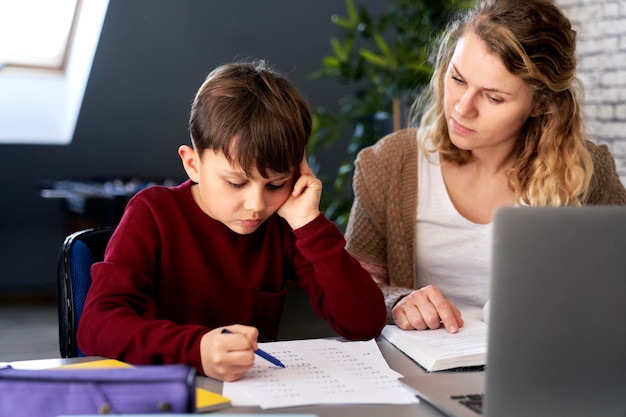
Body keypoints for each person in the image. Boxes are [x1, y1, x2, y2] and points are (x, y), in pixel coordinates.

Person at [77, 60, 387, 382]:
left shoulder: (284, 224)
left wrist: (308, 222)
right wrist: (196, 349)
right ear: (193, 164)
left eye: (276, 184)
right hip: (165, 391)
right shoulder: (152, 213)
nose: (256, 205)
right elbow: (96, 325)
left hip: (253, 394)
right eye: (236, 183)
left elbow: (364, 324)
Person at [345, 0, 626, 334]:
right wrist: (398, 301)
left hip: (542, 367)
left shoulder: (587, 173)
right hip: (421, 368)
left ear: (539, 104)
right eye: (459, 79)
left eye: (493, 98)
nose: (463, 109)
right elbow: (353, 287)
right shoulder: (389, 164)